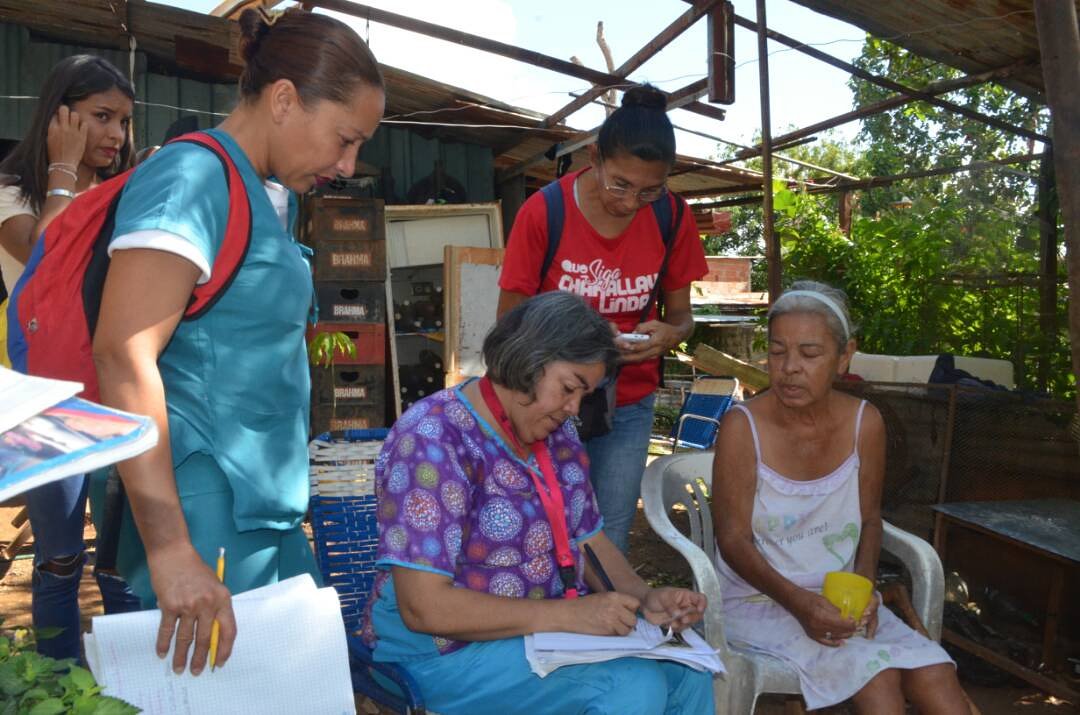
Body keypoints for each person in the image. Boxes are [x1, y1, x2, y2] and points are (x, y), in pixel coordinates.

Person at [87, 7, 384, 676]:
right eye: (344, 138)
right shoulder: (193, 177)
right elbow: (123, 351)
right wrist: (169, 550)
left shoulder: (259, 192)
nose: (347, 163)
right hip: (204, 512)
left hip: (261, 509)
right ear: (284, 99)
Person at [360, 292, 715, 715]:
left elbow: (587, 539)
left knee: (690, 677)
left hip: (540, 637)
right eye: (569, 388)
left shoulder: (555, 435)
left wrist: (644, 598)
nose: (574, 409)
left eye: (584, 395)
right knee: (628, 687)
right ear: (528, 361)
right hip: (439, 652)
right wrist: (569, 617)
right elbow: (423, 607)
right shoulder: (432, 440)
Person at [711, 281, 969, 713]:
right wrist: (801, 605)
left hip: (839, 602)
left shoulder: (865, 423)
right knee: (879, 678)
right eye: (777, 351)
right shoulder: (743, 426)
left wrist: (865, 590)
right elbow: (733, 540)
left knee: (936, 674)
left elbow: (870, 521)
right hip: (759, 601)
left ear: (844, 355)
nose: (790, 367)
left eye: (810, 354)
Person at [497, 85, 707, 555]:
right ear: (593, 158)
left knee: (609, 528)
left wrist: (669, 336)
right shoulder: (544, 212)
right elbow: (507, 326)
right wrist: (579, 340)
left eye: (650, 190)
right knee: (540, 526)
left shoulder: (672, 217)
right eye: (620, 185)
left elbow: (682, 318)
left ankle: (603, 621)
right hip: (548, 403)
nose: (632, 203)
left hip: (628, 402)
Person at [0, 54, 141, 661]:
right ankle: (60, 679)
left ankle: (139, 680)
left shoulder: (127, 192)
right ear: (60, 115)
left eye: (125, 122)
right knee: (61, 555)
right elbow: (46, 260)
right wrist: (61, 170)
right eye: (101, 117)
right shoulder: (13, 192)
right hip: (45, 401)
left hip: (116, 383)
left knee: (123, 553)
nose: (116, 135)